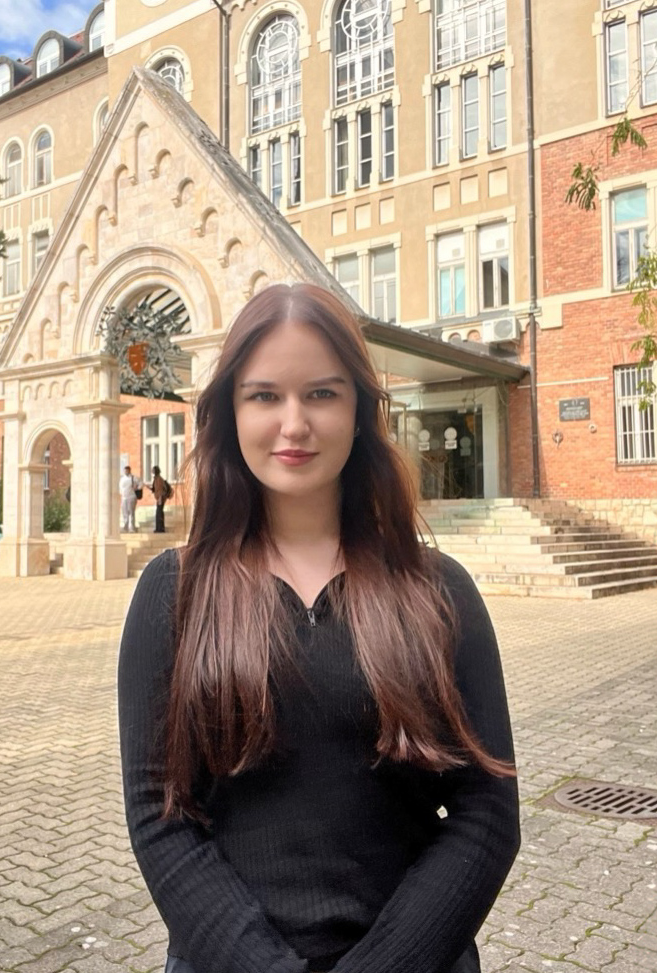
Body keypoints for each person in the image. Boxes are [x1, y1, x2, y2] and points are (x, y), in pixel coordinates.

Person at [118, 283, 519, 973]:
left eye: (322, 394)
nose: (293, 423)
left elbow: (486, 816)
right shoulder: (173, 593)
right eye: (265, 395)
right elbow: (161, 818)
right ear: (229, 412)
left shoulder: (437, 589)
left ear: (361, 410)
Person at [149, 465, 172, 534]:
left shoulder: (159, 479)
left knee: (159, 513)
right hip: (159, 498)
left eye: (153, 470)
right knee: (159, 512)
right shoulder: (156, 479)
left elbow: (161, 490)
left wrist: (160, 498)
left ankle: (160, 528)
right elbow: (155, 489)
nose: (152, 471)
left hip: (161, 498)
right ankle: (159, 528)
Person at [119, 464, 141, 532]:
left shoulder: (133, 477)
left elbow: (141, 483)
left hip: (131, 497)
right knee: (124, 512)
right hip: (124, 497)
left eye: (127, 470)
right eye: (125, 471)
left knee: (131, 512)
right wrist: (122, 493)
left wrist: (137, 488)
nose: (126, 472)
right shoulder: (122, 479)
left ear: (129, 470)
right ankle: (125, 527)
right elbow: (120, 487)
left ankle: (132, 527)